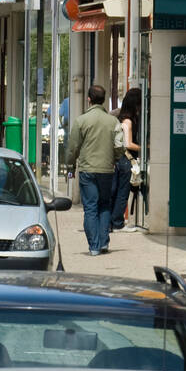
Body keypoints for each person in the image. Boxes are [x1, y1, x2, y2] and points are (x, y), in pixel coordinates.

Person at [66, 84, 123, 256]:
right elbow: (120, 146)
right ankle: (104, 242)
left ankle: (94, 246)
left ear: (89, 99)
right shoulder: (113, 121)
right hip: (107, 169)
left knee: (90, 207)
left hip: (87, 170)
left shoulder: (81, 121)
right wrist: (114, 159)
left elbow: (72, 148)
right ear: (103, 100)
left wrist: (70, 167)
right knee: (104, 205)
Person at [110, 87, 141, 232]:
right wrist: (143, 148)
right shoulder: (128, 121)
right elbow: (128, 144)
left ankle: (112, 221)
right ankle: (117, 222)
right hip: (125, 160)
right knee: (123, 192)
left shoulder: (119, 117)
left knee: (115, 191)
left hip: (118, 159)